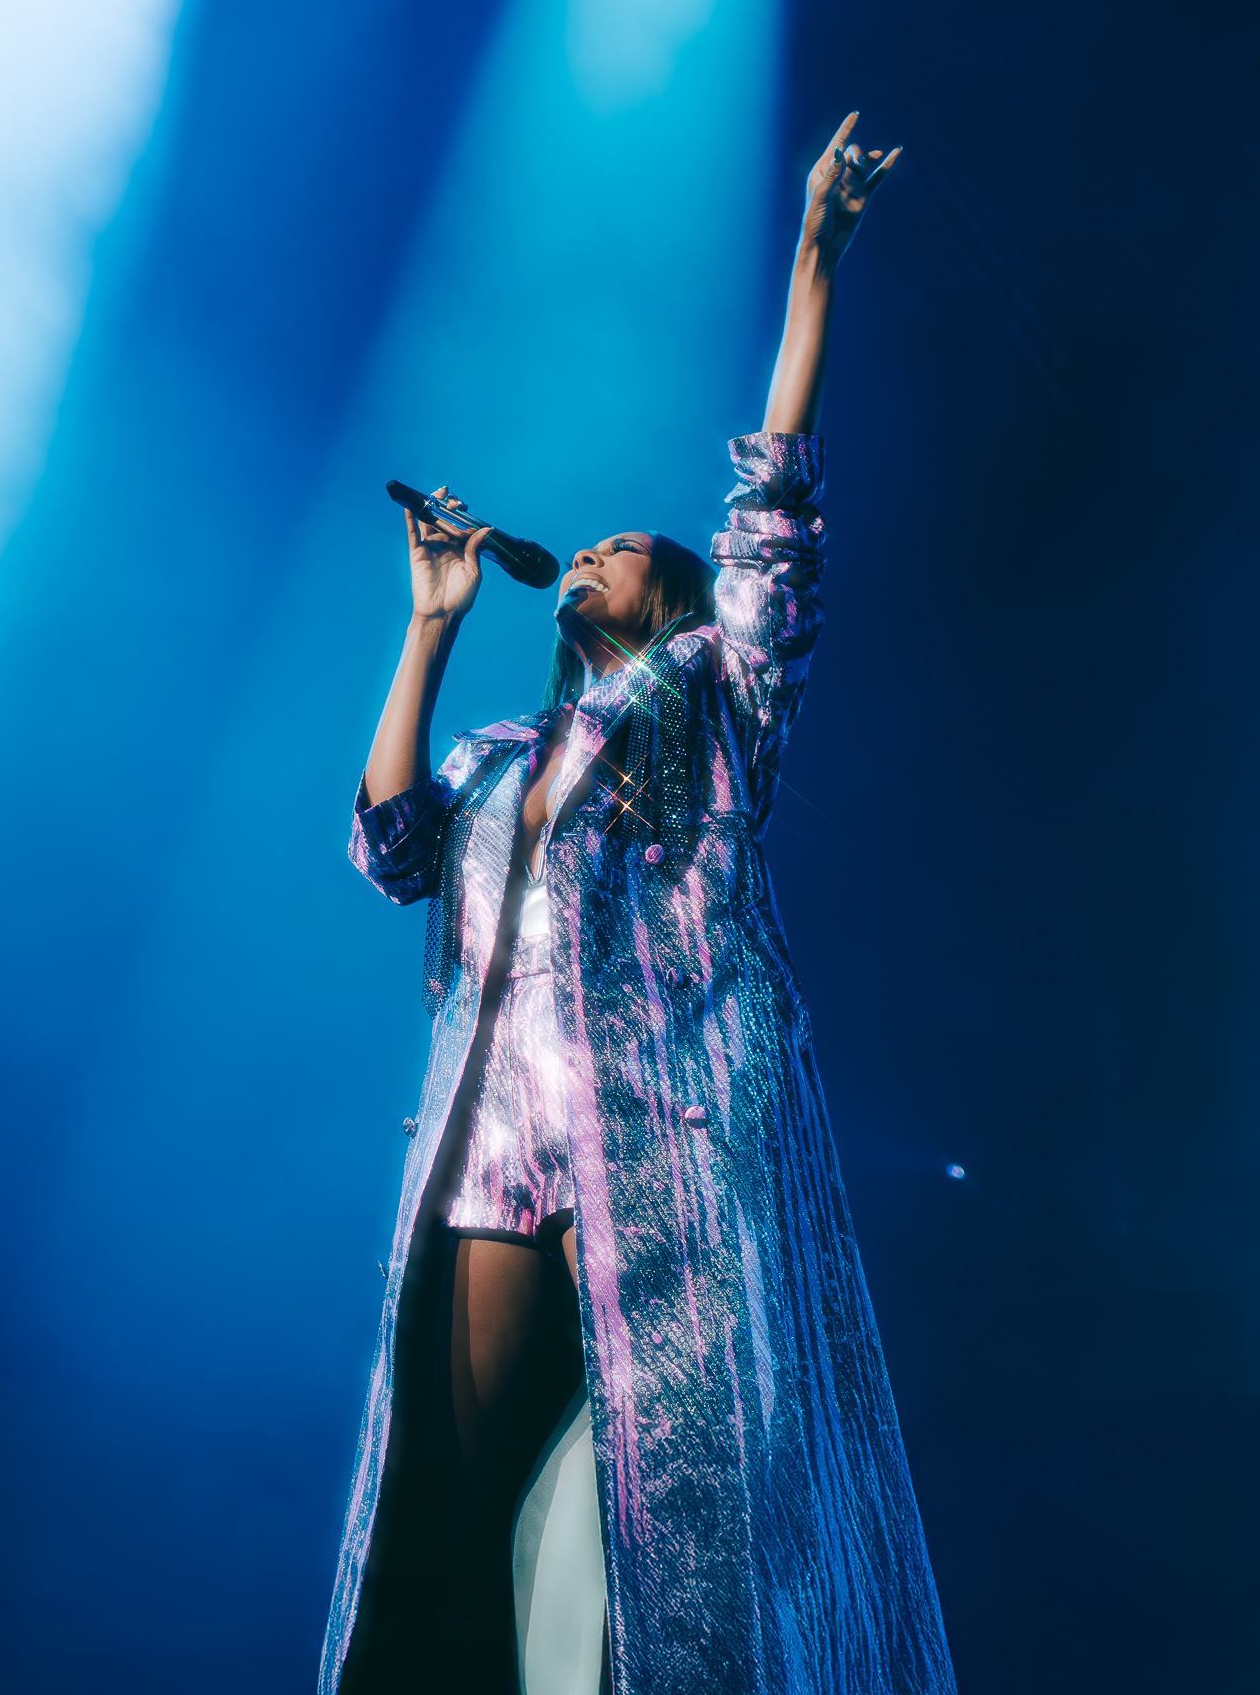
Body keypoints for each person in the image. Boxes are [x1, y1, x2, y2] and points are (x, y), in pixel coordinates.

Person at [319, 115, 956, 1695]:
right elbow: (389, 846)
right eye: (589, 546)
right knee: (462, 1513)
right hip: (493, 1138)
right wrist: (431, 623)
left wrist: (814, 259)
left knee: (682, 1525)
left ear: (678, 598)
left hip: (658, 1135)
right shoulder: (497, 754)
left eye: (627, 546)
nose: (594, 551)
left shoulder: (713, 700)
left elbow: (776, 513)